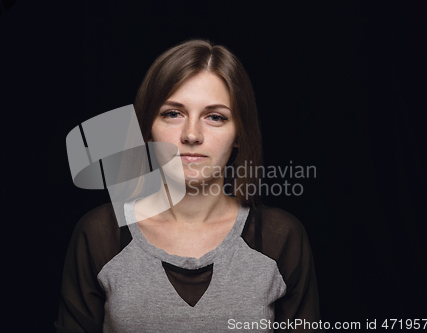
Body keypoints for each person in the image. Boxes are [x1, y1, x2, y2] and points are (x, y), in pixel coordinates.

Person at [55, 39, 322, 332]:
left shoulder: (281, 239)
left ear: (239, 134)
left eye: (215, 117)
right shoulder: (99, 234)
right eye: (173, 113)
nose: (192, 134)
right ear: (147, 129)